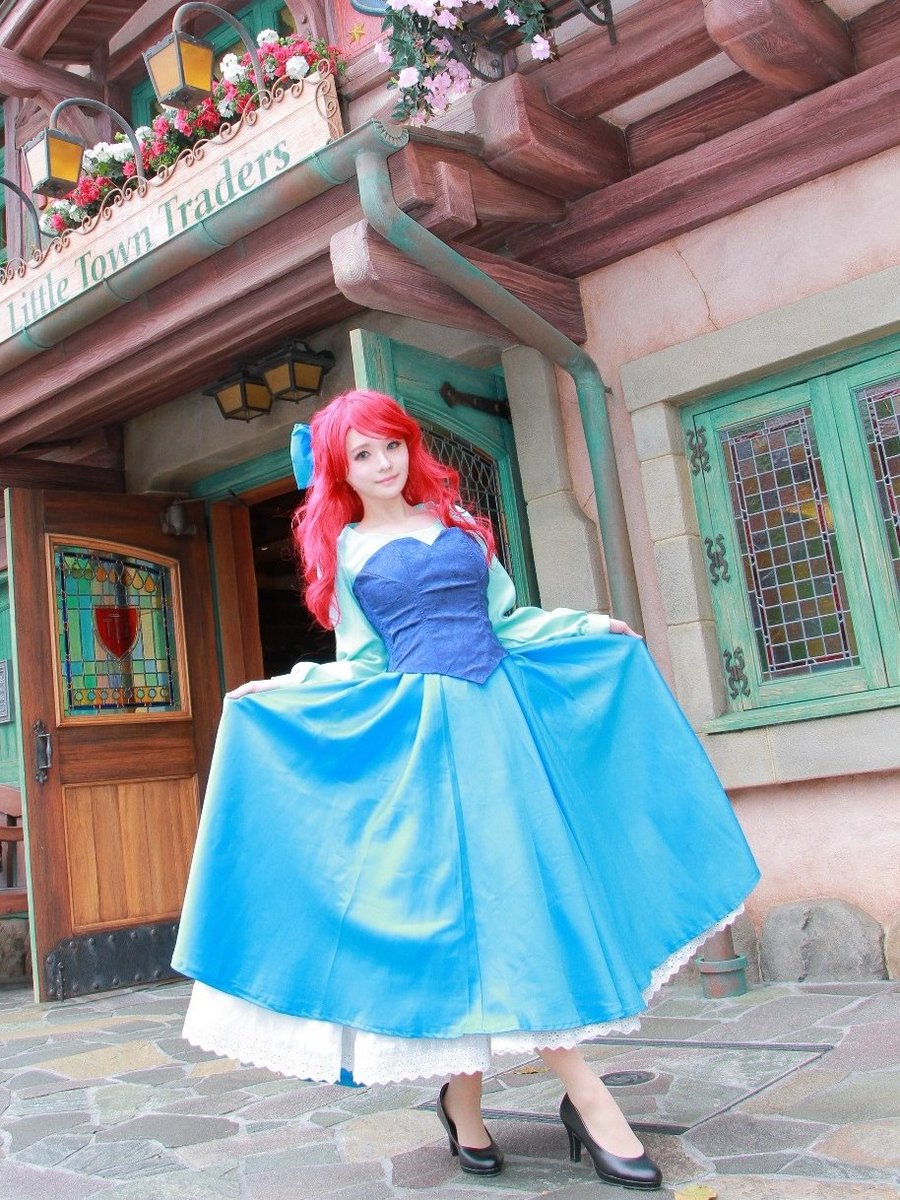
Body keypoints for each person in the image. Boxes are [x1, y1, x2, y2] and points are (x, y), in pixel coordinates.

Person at [172, 388, 760, 1191]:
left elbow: (507, 621)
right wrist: (282, 690)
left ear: (410, 447)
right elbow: (363, 663)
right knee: (467, 920)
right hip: (428, 749)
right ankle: (574, 1100)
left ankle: (471, 1100)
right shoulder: (348, 550)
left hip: (506, 732)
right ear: (343, 471)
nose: (384, 464)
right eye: (363, 455)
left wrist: (586, 626)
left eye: (392, 445)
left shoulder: (459, 525)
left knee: (518, 906)